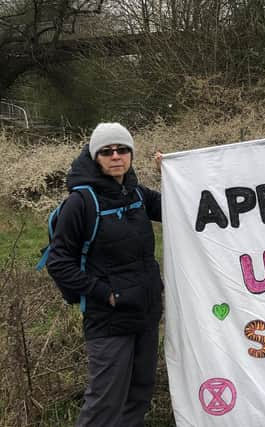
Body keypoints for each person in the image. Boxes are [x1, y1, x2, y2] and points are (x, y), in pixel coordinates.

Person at [46, 123, 163, 427]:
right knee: (104, 404)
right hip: (109, 318)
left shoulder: (136, 192)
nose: (116, 156)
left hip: (145, 312)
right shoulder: (81, 203)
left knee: (138, 395)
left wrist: (174, 174)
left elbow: (177, 207)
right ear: (94, 156)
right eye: (107, 151)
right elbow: (59, 262)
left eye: (122, 150)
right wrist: (105, 293)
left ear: (131, 154)